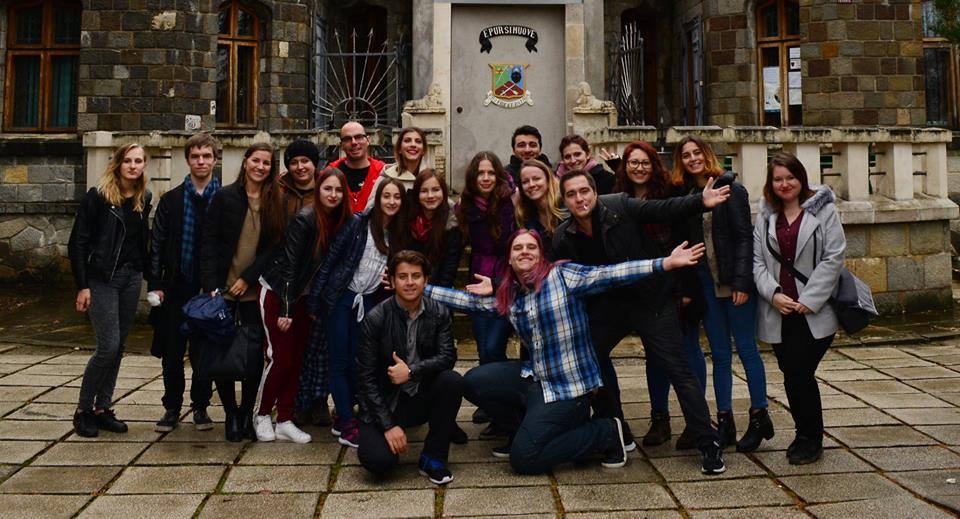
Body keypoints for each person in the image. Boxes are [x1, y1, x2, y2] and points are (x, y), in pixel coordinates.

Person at [427, 230, 710, 474]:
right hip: (536, 379)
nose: (524, 251)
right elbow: (467, 302)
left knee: (524, 459)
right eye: (517, 248)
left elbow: (611, 274)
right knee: (473, 381)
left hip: (569, 390)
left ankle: (605, 432)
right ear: (509, 259)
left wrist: (664, 263)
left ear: (541, 255)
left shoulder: (563, 276)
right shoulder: (511, 295)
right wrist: (419, 289)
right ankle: (523, 428)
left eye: (531, 247)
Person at [552, 169, 729, 471]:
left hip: (650, 298)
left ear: (594, 193)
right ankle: (615, 429)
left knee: (677, 367)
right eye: (571, 194)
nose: (579, 199)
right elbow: (551, 275)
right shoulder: (563, 236)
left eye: (584, 191)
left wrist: (700, 201)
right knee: (588, 357)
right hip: (610, 306)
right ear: (564, 201)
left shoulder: (619, 206)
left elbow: (663, 209)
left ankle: (708, 441)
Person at [669, 135, 772, 452]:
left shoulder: (732, 189)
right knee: (720, 354)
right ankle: (724, 420)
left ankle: (759, 415)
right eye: (686, 155)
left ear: (707, 154)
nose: (692, 159)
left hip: (733, 282)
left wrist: (742, 283)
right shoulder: (687, 196)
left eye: (697, 153)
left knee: (747, 349)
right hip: (706, 285)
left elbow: (744, 238)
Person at [607, 141, 707, 448]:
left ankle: (696, 422)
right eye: (632, 163)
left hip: (677, 284)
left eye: (644, 162)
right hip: (642, 289)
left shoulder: (670, 195)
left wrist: (688, 288)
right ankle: (659, 418)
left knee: (688, 351)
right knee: (654, 354)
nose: (639, 168)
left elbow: (688, 239)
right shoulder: (618, 197)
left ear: (654, 165)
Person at [755, 152, 844, 465]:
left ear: (801, 178)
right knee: (792, 375)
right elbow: (757, 262)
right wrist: (773, 294)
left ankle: (811, 437)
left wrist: (810, 298)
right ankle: (803, 433)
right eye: (778, 179)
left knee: (800, 372)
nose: (784, 184)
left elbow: (834, 256)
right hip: (780, 311)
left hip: (813, 311)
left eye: (790, 177)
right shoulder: (766, 215)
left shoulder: (823, 210)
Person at [255, 167, 352, 443]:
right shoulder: (305, 218)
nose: (333, 195)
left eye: (338, 190)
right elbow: (290, 265)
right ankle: (262, 414)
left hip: (305, 299)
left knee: (297, 360)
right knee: (280, 358)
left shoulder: (341, 221)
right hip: (278, 293)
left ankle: (285, 419)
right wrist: (286, 309)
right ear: (318, 190)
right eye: (327, 188)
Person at [306, 177, 405, 448]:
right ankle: (348, 423)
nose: (391, 201)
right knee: (338, 361)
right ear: (378, 198)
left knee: (358, 361)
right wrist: (315, 301)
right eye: (387, 196)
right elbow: (331, 260)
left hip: (368, 301)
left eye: (397, 197)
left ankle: (343, 414)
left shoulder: (397, 234)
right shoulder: (359, 223)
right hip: (341, 297)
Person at [356, 250, 464, 485]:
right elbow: (366, 380)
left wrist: (411, 371)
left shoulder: (439, 312)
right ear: (392, 281)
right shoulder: (376, 318)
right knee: (379, 462)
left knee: (452, 381)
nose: (409, 282)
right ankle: (385, 434)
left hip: (420, 395)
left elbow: (447, 357)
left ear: (426, 280)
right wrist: (388, 426)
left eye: (416, 276)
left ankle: (433, 457)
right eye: (402, 276)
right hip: (385, 402)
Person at [201, 142, 285, 442]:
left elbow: (274, 246)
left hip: (254, 291)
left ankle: (247, 411)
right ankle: (231, 414)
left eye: (266, 163)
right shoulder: (224, 197)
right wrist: (211, 286)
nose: (260, 167)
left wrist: (248, 278)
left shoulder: (275, 200)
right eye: (256, 160)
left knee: (252, 357)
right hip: (222, 291)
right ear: (246, 162)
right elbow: (209, 243)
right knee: (221, 354)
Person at [68, 142, 152, 438]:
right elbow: (78, 243)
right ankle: (83, 410)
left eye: (138, 161)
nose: (133, 166)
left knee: (119, 347)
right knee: (108, 346)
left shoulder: (144, 197)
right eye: (127, 160)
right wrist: (82, 286)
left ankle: (102, 409)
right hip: (103, 278)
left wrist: (152, 279)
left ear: (144, 165)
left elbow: (142, 241)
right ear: (118, 164)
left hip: (131, 278)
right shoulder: (99, 196)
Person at [149, 133, 219, 433]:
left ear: (214, 159)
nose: (201, 161)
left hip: (209, 289)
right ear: (187, 160)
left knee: (204, 354)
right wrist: (155, 283)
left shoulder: (225, 198)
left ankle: (200, 407)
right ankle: (171, 407)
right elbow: (157, 243)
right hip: (176, 286)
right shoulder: (171, 200)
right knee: (172, 353)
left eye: (206, 156)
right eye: (195, 156)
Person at [396, 169, 463, 288]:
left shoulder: (452, 224)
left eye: (436, 190)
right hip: (407, 286)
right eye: (424, 191)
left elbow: (449, 268)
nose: (430, 196)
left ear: (444, 192)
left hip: (437, 288)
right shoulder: (406, 219)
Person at [328, 121, 386, 212]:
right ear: (341, 145)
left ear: (368, 140)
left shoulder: (383, 173)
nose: (354, 142)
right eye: (347, 139)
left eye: (358, 137)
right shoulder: (330, 173)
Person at [514, 159, 567, 258]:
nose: (531, 185)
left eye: (536, 179)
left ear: (548, 180)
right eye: (525, 182)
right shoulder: (525, 216)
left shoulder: (566, 206)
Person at [365, 127, 426, 209]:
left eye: (418, 141)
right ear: (399, 149)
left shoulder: (430, 178)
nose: (413, 145)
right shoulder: (386, 177)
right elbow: (370, 210)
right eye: (407, 141)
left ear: (424, 150)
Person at [279, 139, 320, 217]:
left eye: (305, 161)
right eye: (294, 163)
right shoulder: (278, 193)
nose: (300, 167)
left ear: (314, 164)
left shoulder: (325, 192)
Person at [503, 125, 552, 189]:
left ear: (540, 149)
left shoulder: (552, 174)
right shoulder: (504, 177)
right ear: (513, 150)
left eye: (533, 145)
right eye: (521, 145)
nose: (527, 150)